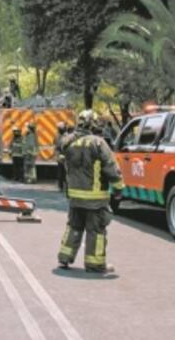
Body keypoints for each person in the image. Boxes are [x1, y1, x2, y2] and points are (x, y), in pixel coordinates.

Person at [57, 110, 125, 275]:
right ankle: (95, 264)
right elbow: (111, 168)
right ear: (93, 124)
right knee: (95, 231)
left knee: (74, 226)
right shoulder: (98, 143)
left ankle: (65, 257)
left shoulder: (69, 143)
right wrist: (118, 188)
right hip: (95, 199)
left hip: (75, 196)